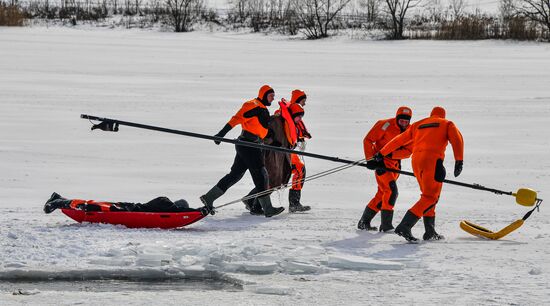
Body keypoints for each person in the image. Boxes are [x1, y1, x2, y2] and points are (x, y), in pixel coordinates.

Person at [376, 106, 464, 242]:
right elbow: (457, 140)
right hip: (432, 161)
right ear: (443, 115)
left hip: (416, 161)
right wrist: (459, 160)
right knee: (430, 197)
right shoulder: (447, 123)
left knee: (427, 196)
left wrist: (382, 153)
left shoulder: (418, 124)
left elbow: (399, 139)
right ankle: (405, 226)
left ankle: (430, 231)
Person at [200, 85, 285, 218]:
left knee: (235, 175)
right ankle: (267, 208)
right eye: (271, 96)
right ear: (263, 95)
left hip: (251, 145)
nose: (273, 99)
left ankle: (209, 197)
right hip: (248, 145)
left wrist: (275, 142)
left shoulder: (263, 109)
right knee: (262, 175)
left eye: (274, 96)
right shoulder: (252, 104)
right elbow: (237, 118)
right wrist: (221, 134)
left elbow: (261, 129)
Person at [358, 106, 412, 232]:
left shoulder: (411, 131)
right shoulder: (385, 125)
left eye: (406, 121)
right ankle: (386, 226)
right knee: (391, 192)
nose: (404, 123)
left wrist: (391, 155)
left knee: (382, 193)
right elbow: (368, 140)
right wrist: (370, 159)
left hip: (395, 166)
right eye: (401, 121)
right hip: (381, 164)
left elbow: (409, 151)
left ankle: (364, 222)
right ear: (397, 118)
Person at [43, 192, 199, 214]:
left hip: (127, 207)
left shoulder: (167, 206)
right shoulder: (165, 203)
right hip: (127, 209)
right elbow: (178, 211)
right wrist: (200, 211)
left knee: (93, 205)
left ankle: (60, 199)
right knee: (92, 206)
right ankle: (58, 202)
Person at [287, 90, 312, 212]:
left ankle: (252, 200)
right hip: (283, 150)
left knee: (273, 178)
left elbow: (294, 131)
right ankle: (294, 204)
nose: (305, 104)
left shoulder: (294, 113)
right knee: (299, 169)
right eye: (303, 101)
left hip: (290, 149)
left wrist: (300, 139)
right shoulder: (288, 113)